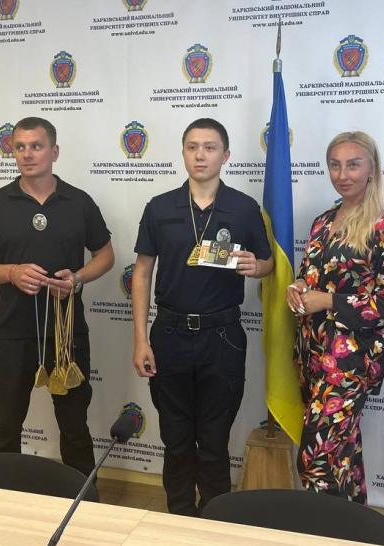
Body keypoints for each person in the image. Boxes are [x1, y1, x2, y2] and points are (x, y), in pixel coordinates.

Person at [131, 118, 274, 516]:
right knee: (176, 439)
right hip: (170, 334)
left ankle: (215, 521)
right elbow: (141, 273)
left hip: (222, 335)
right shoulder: (160, 207)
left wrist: (256, 266)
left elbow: (266, 263)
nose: (200, 155)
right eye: (192, 146)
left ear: (225, 156)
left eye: (209, 147)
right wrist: (140, 339)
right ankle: (178, 519)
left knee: (213, 441)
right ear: (182, 152)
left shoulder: (244, 207)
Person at [0, 116, 114, 477]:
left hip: (66, 334)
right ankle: (2, 500)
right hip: (11, 332)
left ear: (54, 152)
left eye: (36, 146)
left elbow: (106, 255)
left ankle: (84, 500)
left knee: (74, 427)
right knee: (5, 426)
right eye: (20, 147)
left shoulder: (79, 202)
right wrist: (11, 273)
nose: (27, 154)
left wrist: (77, 278)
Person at [287, 131, 384, 503]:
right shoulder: (323, 221)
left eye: (353, 165)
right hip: (313, 354)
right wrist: (299, 287)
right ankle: (356, 524)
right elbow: (313, 276)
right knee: (344, 455)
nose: (343, 175)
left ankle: (322, 529)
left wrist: (328, 301)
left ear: (371, 169)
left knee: (317, 458)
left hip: (349, 364)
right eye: (335, 165)